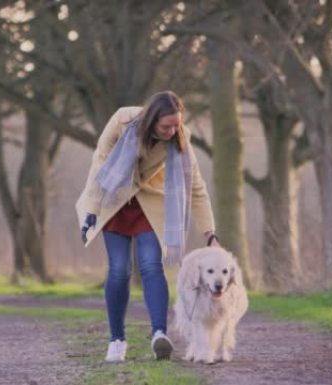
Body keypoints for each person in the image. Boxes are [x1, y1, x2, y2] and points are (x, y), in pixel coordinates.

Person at [75, 90, 218, 363]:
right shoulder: (123, 121)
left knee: (152, 264)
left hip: (150, 206)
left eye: (176, 124)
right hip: (113, 200)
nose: (172, 130)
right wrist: (92, 209)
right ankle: (117, 340)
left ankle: (158, 335)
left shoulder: (180, 138)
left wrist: (209, 232)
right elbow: (100, 161)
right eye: (166, 126)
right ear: (151, 120)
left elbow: (196, 186)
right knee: (119, 269)